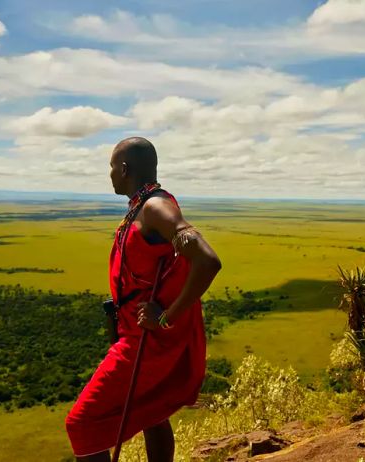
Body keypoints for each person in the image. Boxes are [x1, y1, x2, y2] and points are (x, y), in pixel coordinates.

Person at [66, 137, 222, 462]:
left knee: (81, 423)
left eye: (111, 167)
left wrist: (166, 317)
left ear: (123, 169)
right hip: (137, 333)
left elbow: (207, 260)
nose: (109, 174)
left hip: (145, 340)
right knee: (151, 412)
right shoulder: (143, 205)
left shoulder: (154, 207)